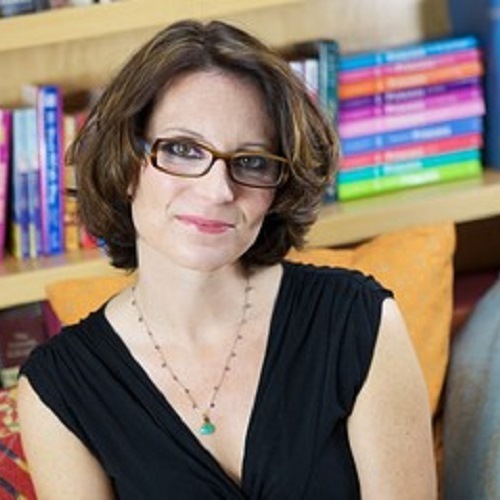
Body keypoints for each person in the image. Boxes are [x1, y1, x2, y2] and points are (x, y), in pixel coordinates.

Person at [17, 19, 437, 499]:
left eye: (252, 161)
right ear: (125, 163)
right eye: (181, 149)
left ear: (278, 188)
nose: (218, 190)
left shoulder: (358, 321)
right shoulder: (58, 389)